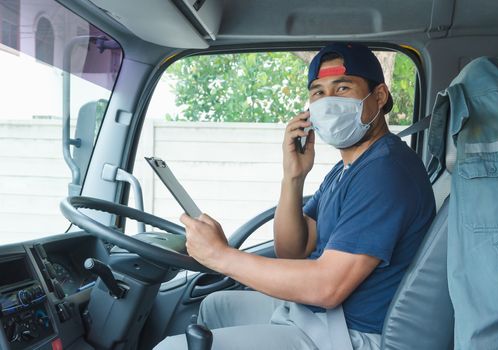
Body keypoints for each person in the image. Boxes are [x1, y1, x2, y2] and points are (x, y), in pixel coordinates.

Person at [155, 43, 436, 350]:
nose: (328, 102)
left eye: (342, 88)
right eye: (318, 92)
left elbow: (328, 286)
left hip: (348, 334)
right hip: (315, 315)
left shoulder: (385, 171)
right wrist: (294, 176)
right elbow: (293, 250)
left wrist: (221, 256)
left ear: (379, 97)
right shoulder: (347, 169)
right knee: (214, 306)